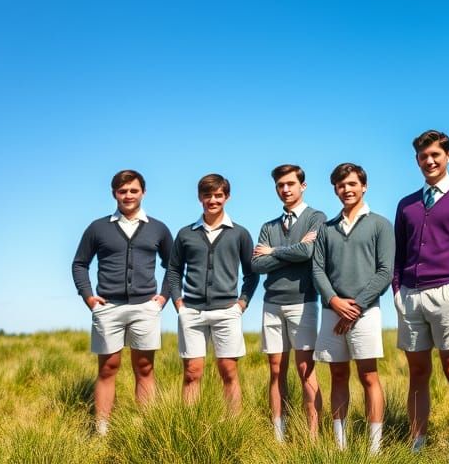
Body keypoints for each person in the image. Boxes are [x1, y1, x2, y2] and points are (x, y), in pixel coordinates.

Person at [393, 130, 449, 451]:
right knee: (417, 372)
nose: (429, 161)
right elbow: (398, 254)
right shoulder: (406, 205)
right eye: (423, 156)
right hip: (409, 296)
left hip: (448, 295)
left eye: (435, 155)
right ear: (417, 160)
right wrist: (397, 290)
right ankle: (417, 443)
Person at [71, 169, 173, 436]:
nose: (128, 195)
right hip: (108, 308)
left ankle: (147, 430)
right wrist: (89, 297)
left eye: (133, 190)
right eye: (122, 191)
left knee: (145, 367)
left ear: (143, 193)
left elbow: (173, 266)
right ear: (114, 193)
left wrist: (163, 297)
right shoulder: (98, 228)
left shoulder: (158, 228)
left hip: (145, 308)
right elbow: (80, 264)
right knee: (108, 368)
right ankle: (102, 430)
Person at [311, 162, 394, 454]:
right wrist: (334, 301)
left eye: (352, 184)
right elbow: (317, 270)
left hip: (366, 312)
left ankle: (374, 448)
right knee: (337, 375)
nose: (346, 189)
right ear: (335, 189)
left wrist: (356, 307)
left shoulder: (380, 224)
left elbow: (385, 271)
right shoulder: (326, 229)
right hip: (331, 311)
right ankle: (340, 445)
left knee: (368, 376)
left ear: (364, 186)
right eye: (341, 185)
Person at [167, 173, 256, 413]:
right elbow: (173, 270)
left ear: (227, 197)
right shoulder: (186, 234)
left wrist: (242, 304)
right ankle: (189, 425)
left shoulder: (240, 233)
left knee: (229, 371)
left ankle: (234, 425)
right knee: (192, 372)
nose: (213, 200)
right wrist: (178, 303)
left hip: (227, 312)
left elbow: (251, 273)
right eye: (207, 195)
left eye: (218, 195)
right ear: (200, 197)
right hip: (191, 312)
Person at [252, 164, 327, 442]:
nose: (285, 189)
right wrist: (291, 254)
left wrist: (273, 251)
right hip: (271, 303)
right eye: (280, 185)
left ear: (302, 186)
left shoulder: (316, 217)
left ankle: (313, 438)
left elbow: (308, 252)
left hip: (303, 302)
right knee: (275, 371)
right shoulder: (268, 226)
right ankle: (279, 437)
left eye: (290, 184)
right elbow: (257, 265)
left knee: (306, 370)